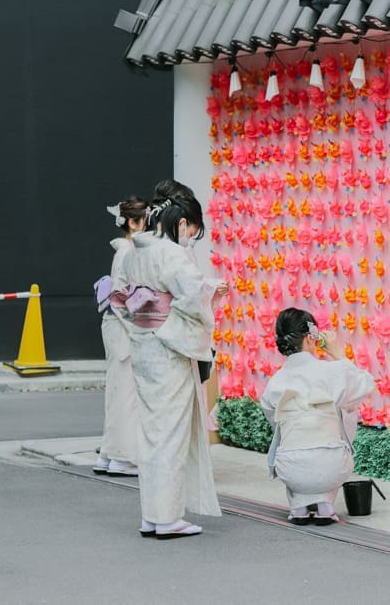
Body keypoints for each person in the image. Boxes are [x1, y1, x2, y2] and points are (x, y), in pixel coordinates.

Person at [115, 181, 227, 539]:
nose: (193, 237)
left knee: (152, 431)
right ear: (182, 224)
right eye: (193, 229)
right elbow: (191, 298)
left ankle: (153, 514)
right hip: (169, 347)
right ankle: (166, 517)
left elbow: (130, 298)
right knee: (171, 433)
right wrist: (212, 291)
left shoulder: (136, 251)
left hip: (145, 342)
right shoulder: (171, 254)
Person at [261, 308, 375, 524]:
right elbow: (366, 384)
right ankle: (325, 505)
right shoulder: (330, 371)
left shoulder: (275, 381)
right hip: (332, 466)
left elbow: (273, 420)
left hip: (290, 469)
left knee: (290, 433)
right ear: (311, 337)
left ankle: (298, 508)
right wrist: (337, 353)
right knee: (343, 407)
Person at [93, 197, 148, 477]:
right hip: (124, 327)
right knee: (127, 392)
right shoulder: (129, 253)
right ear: (132, 223)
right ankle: (123, 456)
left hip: (115, 327)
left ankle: (109, 453)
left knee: (118, 391)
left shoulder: (123, 251)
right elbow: (123, 297)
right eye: (145, 221)